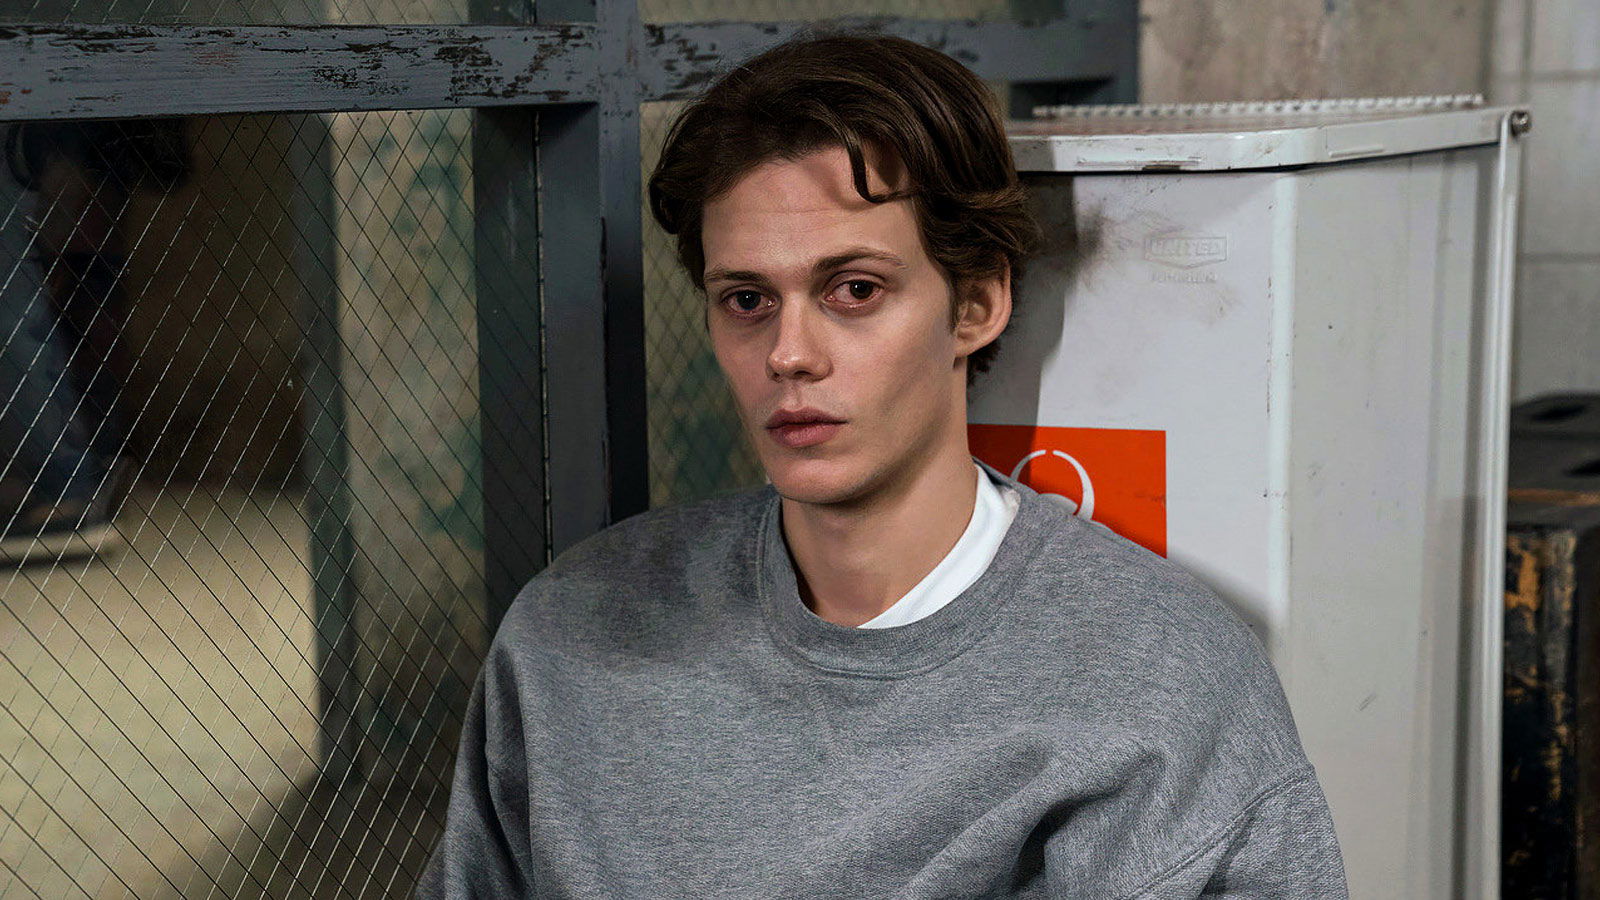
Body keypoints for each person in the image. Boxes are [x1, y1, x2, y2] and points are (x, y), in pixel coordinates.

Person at [419, 33, 1348, 898]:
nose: (789, 354)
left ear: (976, 303)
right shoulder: (572, 634)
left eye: (854, 290)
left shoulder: (1157, 679)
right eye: (746, 300)